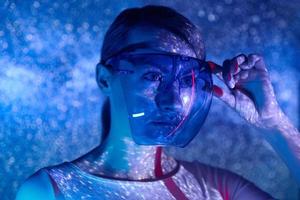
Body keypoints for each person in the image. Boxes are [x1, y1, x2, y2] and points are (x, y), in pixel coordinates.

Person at [16, 5, 300, 200]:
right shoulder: (49, 192)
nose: (172, 100)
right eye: (152, 75)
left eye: (186, 80)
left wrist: (274, 124)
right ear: (105, 79)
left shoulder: (216, 190)